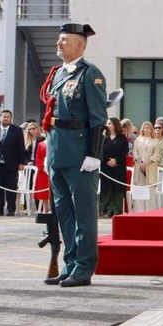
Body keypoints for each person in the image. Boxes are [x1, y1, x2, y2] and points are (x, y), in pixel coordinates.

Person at [39, 23, 108, 287]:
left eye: (64, 40)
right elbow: (51, 116)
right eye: (58, 39)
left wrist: (94, 154)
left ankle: (84, 268)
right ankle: (70, 263)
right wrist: (48, 152)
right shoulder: (57, 74)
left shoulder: (90, 74)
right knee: (65, 214)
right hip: (58, 152)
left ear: (79, 45)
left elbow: (98, 119)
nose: (58, 44)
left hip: (80, 154)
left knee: (84, 215)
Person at [0, 109, 25, 216]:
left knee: (11, 187)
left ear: (10, 118)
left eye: (8, 117)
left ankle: (11, 209)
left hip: (11, 164)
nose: (6, 118)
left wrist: (22, 162)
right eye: (4, 117)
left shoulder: (17, 130)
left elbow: (21, 148)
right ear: (0, 118)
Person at [134, 119, 163, 207]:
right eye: (144, 128)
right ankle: (139, 209)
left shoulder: (155, 141)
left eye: (148, 128)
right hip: (139, 166)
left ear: (151, 130)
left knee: (150, 189)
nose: (146, 129)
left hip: (150, 166)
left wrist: (146, 163)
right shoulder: (138, 140)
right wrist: (140, 162)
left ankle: (150, 208)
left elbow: (156, 154)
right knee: (140, 188)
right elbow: (135, 152)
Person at [99, 117, 130, 217]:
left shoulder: (122, 138)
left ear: (115, 125)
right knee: (107, 186)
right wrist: (108, 160)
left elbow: (124, 151)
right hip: (106, 166)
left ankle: (117, 209)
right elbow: (101, 151)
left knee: (117, 187)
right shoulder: (104, 138)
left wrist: (115, 160)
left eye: (109, 124)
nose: (107, 125)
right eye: (107, 124)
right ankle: (106, 209)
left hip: (118, 166)